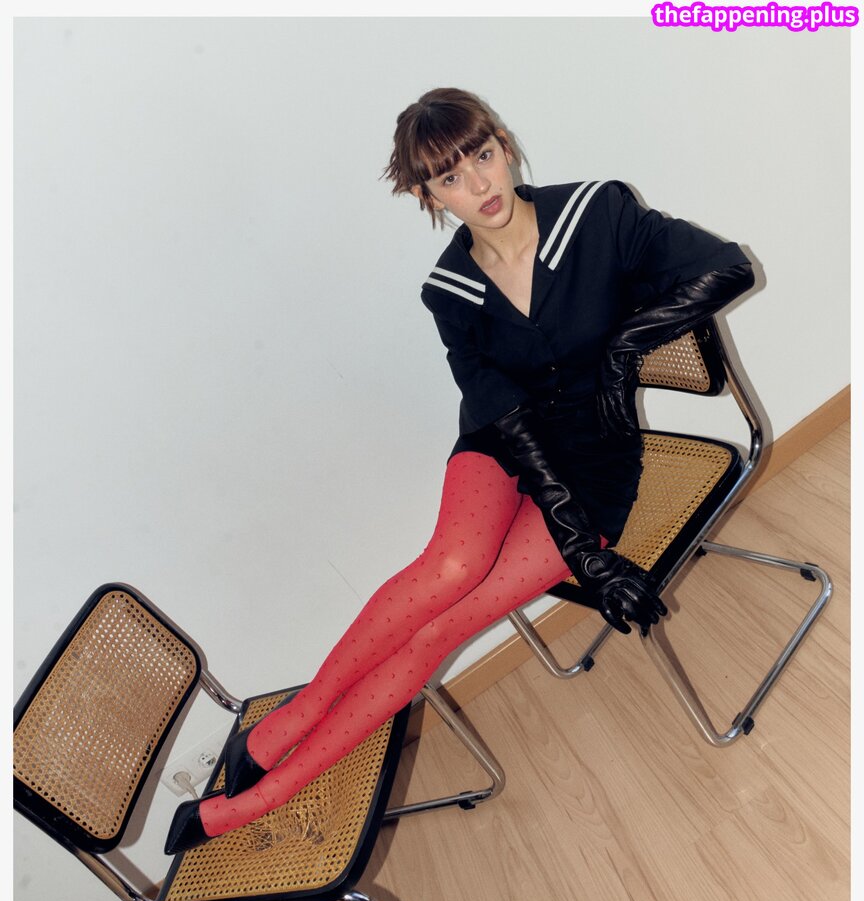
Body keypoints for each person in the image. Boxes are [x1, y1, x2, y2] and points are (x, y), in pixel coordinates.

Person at [165, 88, 754, 854]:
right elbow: (498, 408)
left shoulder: (598, 214)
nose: (478, 184)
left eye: (482, 156)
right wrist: (586, 551)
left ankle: (252, 799)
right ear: (427, 196)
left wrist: (620, 354)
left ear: (504, 145)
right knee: (451, 566)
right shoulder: (448, 290)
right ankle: (288, 723)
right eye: (450, 177)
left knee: (442, 628)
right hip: (499, 442)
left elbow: (727, 267)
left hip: (594, 463)